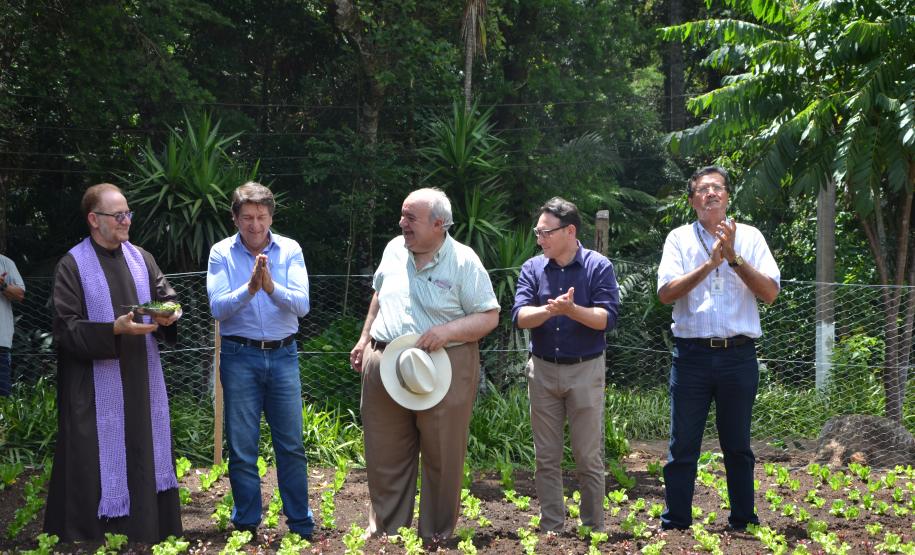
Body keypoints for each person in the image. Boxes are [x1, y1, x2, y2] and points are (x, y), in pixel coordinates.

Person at [349, 187, 500, 542]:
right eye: (402, 215)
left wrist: (447, 332)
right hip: (385, 360)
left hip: (444, 365)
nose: (402, 223)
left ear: (438, 224)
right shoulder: (393, 249)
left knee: (442, 454)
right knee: (383, 451)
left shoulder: (464, 261)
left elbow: (489, 315)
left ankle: (436, 536)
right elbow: (379, 294)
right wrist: (364, 338)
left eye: (410, 218)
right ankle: (388, 533)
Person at [45, 183, 182, 543]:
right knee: (93, 458)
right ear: (94, 219)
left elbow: (167, 297)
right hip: (93, 384)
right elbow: (66, 329)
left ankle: (146, 532)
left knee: (143, 450)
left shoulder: (142, 258)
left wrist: (170, 314)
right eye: (117, 215)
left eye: (128, 213)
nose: (126, 221)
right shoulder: (72, 265)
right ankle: (93, 537)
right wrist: (113, 330)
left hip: (140, 378)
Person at [656, 166, 780, 531]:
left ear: (727, 197)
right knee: (683, 445)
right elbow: (665, 293)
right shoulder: (678, 239)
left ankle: (743, 521)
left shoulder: (751, 237)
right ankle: (676, 523)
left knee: (738, 445)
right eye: (703, 189)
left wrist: (733, 258)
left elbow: (770, 293)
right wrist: (710, 264)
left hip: (738, 356)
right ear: (692, 200)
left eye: (717, 188)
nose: (711, 193)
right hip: (691, 357)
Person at [207, 182, 315, 539]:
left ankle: (300, 525)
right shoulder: (221, 253)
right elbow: (218, 307)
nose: (255, 225)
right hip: (239, 356)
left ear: (271, 216)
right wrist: (250, 288)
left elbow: (302, 305)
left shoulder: (290, 249)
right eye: (248, 218)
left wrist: (270, 287)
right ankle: (246, 525)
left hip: (284, 355)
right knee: (242, 448)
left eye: (262, 217)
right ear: (235, 218)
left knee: (291, 446)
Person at [512, 197, 620, 533]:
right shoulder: (532, 268)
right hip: (542, 370)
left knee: (588, 456)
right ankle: (552, 528)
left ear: (570, 231)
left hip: (586, 370)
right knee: (546, 457)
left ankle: (593, 528)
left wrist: (572, 310)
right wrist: (550, 310)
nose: (539, 239)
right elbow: (520, 316)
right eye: (538, 232)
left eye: (546, 232)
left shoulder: (598, 266)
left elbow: (606, 318)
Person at [0, 253, 26, 397]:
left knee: (2, 399)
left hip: (0, 342)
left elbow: (20, 295)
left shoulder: (5, 262)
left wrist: (2, 285)